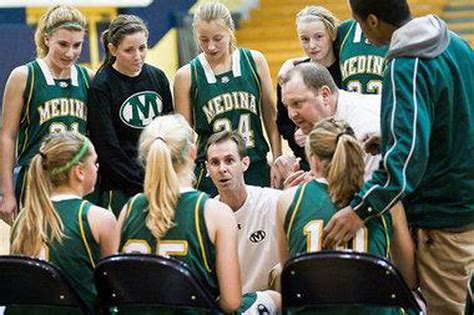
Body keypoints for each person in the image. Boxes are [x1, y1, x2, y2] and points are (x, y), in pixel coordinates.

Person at [324, 1, 474, 314]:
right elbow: (454, 115)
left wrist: (360, 210)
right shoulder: (453, 42)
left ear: (374, 20)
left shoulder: (406, 63)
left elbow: (405, 164)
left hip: (445, 217)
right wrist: (391, 136)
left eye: (360, 24)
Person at [116, 114, 280, 314]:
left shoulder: (128, 210)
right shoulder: (214, 212)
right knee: (275, 298)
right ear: (193, 153)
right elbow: (231, 303)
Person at [276, 118, 412, 314]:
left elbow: (289, 278)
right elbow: (408, 279)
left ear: (313, 160)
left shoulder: (288, 201)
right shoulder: (386, 202)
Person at [174, 2, 282, 196]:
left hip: (254, 162)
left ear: (231, 31)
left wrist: (277, 157)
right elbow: (184, 136)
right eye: (203, 40)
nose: (211, 46)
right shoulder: (187, 75)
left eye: (218, 38)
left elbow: (270, 115)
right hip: (212, 171)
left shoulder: (254, 61)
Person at [1, 5, 93, 224]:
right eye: (63, 44)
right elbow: (7, 136)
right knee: (34, 252)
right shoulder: (24, 76)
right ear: (46, 39)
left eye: (77, 45)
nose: (70, 53)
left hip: (76, 179)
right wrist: (6, 193)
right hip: (36, 179)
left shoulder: (87, 77)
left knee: (73, 253)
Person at [9, 132, 117, 312]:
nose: (97, 168)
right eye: (95, 162)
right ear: (79, 172)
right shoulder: (98, 218)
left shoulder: (24, 217)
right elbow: (112, 290)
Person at [87, 15, 173, 216]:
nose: (138, 56)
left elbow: (170, 129)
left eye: (142, 48)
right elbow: (107, 148)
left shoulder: (158, 77)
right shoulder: (101, 86)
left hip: (160, 178)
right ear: (112, 49)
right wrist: (142, 182)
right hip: (122, 186)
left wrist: (165, 174)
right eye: (129, 50)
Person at [277, 63, 381, 186]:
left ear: (325, 95)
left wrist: (315, 189)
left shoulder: (363, 127)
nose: (291, 115)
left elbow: (369, 196)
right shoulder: (325, 122)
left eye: (297, 103)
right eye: (287, 106)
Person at [206, 130, 281, 294]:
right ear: (207, 168)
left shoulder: (273, 202)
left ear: (245, 163)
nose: (222, 169)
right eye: (215, 163)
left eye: (229, 160)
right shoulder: (206, 217)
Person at [276, 6, 342, 171]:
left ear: (331, 35)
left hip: (346, 159)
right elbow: (283, 121)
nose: (312, 45)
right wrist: (294, 135)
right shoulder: (290, 76)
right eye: (305, 39)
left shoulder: (347, 69)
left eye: (318, 37)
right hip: (311, 165)